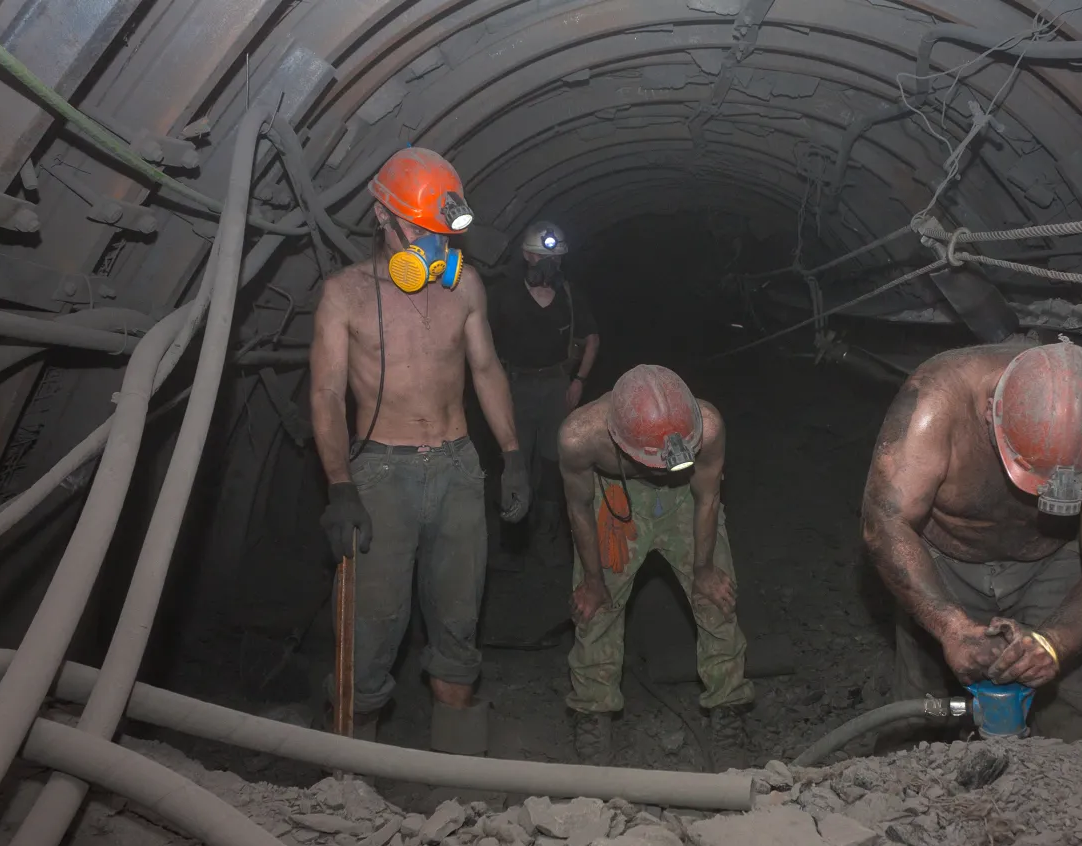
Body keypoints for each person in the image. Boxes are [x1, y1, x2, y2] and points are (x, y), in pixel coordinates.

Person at [309, 147, 530, 751]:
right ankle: (346, 785)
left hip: (459, 470)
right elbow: (326, 394)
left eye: (443, 231)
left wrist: (511, 454)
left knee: (459, 629)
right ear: (382, 215)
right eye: (421, 229)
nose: (435, 245)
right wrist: (340, 484)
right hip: (382, 475)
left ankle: (457, 787)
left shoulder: (466, 286)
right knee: (368, 637)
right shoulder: (345, 295)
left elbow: (485, 370)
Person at [861, 337, 1082, 741]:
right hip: (943, 562)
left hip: (1055, 563)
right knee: (921, 712)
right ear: (990, 414)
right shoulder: (938, 400)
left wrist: (1054, 642)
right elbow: (885, 520)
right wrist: (951, 627)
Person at [558, 365, 753, 767]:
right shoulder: (581, 437)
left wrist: (703, 570)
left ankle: (727, 706)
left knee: (716, 595)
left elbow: (707, 498)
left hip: (684, 498)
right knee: (596, 606)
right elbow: (578, 508)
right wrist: (593, 581)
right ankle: (593, 710)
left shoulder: (707, 427)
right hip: (616, 498)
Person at [488, 221, 600, 570]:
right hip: (515, 388)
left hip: (556, 386)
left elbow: (592, 339)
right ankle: (512, 542)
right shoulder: (504, 296)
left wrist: (578, 380)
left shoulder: (569, 295)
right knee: (514, 461)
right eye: (541, 256)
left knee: (555, 461)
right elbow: (481, 347)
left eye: (556, 258)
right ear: (526, 255)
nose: (549, 264)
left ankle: (549, 536)